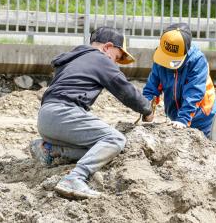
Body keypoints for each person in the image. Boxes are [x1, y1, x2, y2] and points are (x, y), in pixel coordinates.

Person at [29, 26, 154, 199]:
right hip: (63, 113)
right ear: (107, 47)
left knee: (99, 149)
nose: (115, 63)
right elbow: (125, 90)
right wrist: (147, 109)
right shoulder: (101, 59)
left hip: (46, 117)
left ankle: (49, 149)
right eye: (117, 57)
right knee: (114, 139)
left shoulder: (74, 58)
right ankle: (75, 177)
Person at [143, 23, 216, 138]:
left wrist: (183, 119)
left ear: (186, 51)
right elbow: (152, 87)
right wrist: (146, 108)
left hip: (202, 118)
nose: (167, 63)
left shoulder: (197, 61)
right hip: (175, 116)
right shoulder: (160, 57)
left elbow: (194, 92)